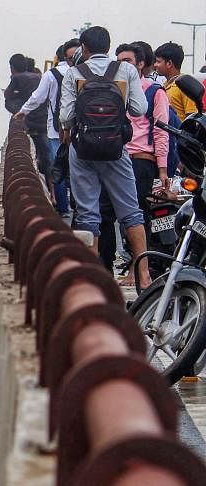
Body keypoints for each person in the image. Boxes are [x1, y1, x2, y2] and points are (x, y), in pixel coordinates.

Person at [59, 25, 152, 289]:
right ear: (109, 47)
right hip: (116, 150)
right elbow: (138, 109)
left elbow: (66, 117)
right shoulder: (126, 70)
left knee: (88, 213)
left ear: (84, 49)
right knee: (131, 212)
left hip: (83, 151)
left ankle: (92, 278)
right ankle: (143, 276)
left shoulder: (74, 74)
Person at [99, 43, 171, 282]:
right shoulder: (114, 90)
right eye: (118, 60)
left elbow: (162, 132)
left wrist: (162, 169)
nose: (122, 65)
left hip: (142, 161)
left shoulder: (154, 92)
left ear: (140, 64)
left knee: (136, 215)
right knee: (105, 214)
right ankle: (104, 270)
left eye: (127, 61)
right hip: (114, 158)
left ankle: (138, 271)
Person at [17, 39, 81, 216]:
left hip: (57, 130)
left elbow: (38, 98)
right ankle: (80, 206)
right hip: (81, 130)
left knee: (57, 168)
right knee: (78, 168)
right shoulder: (82, 72)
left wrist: (22, 112)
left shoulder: (51, 74)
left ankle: (63, 208)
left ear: (57, 57)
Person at [5, 53, 50, 177]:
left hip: (30, 120)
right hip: (43, 119)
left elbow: (7, 95)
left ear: (12, 67)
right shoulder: (39, 76)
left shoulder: (17, 78)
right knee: (46, 152)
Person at [154, 41, 201, 121]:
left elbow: (192, 118)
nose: (155, 65)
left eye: (158, 62)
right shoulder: (165, 85)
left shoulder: (185, 87)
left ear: (169, 63)